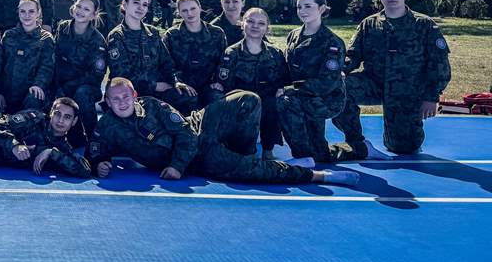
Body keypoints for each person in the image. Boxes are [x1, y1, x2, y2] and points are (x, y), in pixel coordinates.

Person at [89, 78, 359, 186]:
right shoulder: (107, 126)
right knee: (250, 172)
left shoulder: (151, 105)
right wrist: (101, 161)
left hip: (195, 129)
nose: (122, 102)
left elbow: (184, 133)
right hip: (200, 157)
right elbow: (96, 148)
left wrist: (176, 167)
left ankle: (249, 156)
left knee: (248, 100)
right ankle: (318, 175)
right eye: (115, 99)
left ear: (134, 95)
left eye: (126, 96)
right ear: (108, 101)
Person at [335, 0, 452, 155]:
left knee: (404, 147)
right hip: (374, 83)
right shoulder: (369, 25)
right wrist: (340, 72)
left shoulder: (424, 25)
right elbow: (352, 55)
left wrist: (431, 97)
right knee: (337, 87)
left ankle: (400, 137)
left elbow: (439, 64)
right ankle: (357, 142)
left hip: (407, 90)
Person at [276, 0, 379, 162]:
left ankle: (360, 149)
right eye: (299, 7)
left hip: (326, 99)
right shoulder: (293, 36)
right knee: (317, 154)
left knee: (287, 103)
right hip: (302, 96)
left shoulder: (332, 42)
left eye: (308, 6)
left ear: (322, 9)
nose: (302, 11)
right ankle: (303, 154)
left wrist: (290, 90)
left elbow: (327, 82)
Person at [214, 8, 288, 159]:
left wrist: (282, 89)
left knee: (274, 103)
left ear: (267, 28)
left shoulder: (275, 53)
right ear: (242, 24)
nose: (255, 26)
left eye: (261, 23)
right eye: (250, 21)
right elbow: (225, 84)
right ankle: (245, 150)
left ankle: (268, 149)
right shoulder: (231, 53)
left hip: (268, 102)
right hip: (243, 101)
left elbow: (284, 79)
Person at [106, 0, 196, 112]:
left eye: (145, 5)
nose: (141, 8)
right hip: (131, 94)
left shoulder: (153, 33)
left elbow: (167, 63)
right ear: (124, 5)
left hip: (159, 91)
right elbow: (122, 75)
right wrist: (155, 86)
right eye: (136, 3)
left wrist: (176, 81)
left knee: (187, 96)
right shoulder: (116, 36)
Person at [53, 0, 107, 147]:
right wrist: (57, 86)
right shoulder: (63, 28)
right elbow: (55, 59)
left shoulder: (97, 40)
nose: (81, 11)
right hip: (62, 83)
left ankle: (94, 141)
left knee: (82, 93)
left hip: (86, 87)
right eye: (79, 6)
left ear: (94, 15)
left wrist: (68, 86)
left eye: (86, 9)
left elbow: (95, 75)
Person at [163, 0, 227, 113]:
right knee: (185, 100)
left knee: (219, 100)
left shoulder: (217, 33)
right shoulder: (172, 35)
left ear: (199, 7)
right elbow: (166, 64)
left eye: (193, 8)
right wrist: (176, 81)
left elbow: (224, 62)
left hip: (209, 85)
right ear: (179, 13)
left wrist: (218, 81)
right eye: (184, 10)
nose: (190, 13)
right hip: (183, 86)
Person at [0, 0, 55, 114]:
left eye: (31, 11)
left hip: (32, 96)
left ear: (38, 13)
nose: (27, 15)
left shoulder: (46, 39)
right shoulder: (9, 36)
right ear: (18, 13)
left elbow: (47, 68)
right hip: (9, 96)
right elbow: (0, 65)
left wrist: (38, 85)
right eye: (23, 11)